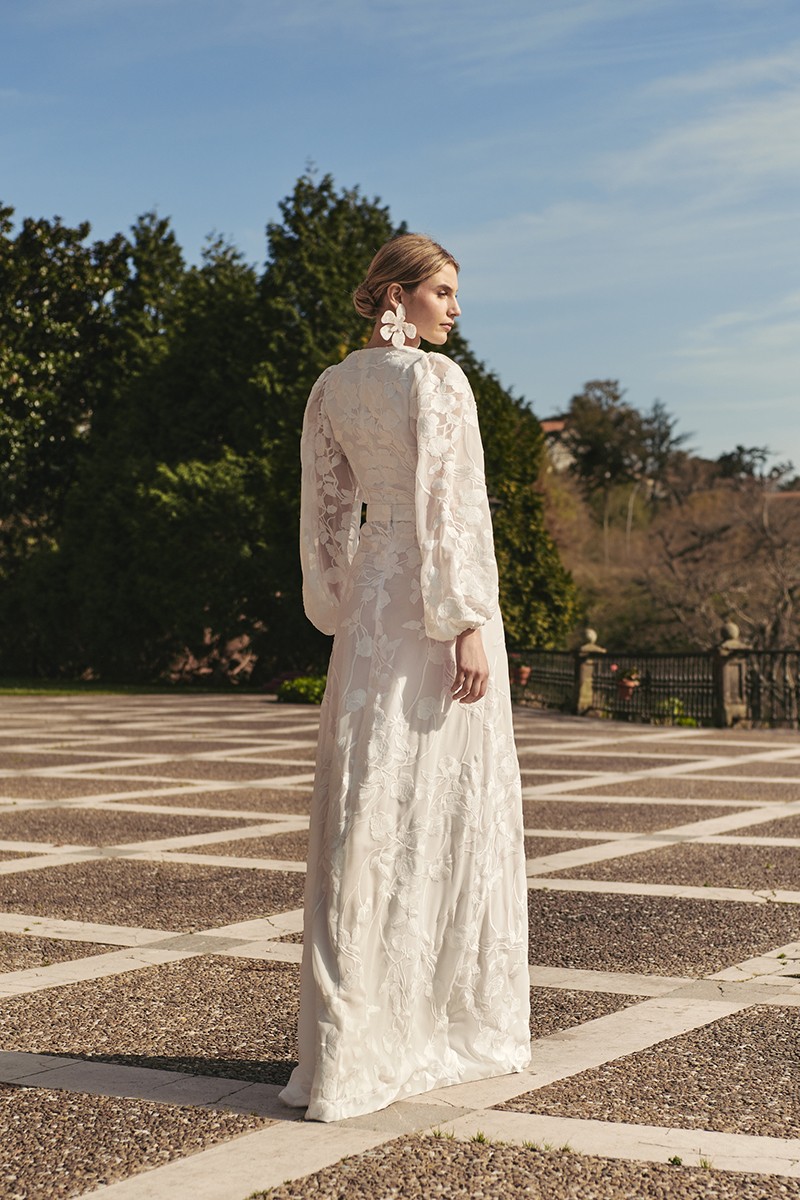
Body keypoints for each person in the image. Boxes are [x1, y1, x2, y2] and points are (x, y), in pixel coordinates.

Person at [279, 233, 530, 1122]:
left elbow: (324, 507)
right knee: (437, 800)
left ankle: (352, 1046)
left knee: (367, 802)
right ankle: (436, 1025)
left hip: (371, 614)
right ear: (399, 294)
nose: (456, 309)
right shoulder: (437, 383)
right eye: (445, 292)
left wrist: (341, 593)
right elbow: (453, 506)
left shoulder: (330, 388)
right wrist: (465, 623)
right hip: (435, 607)